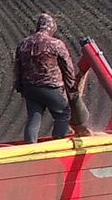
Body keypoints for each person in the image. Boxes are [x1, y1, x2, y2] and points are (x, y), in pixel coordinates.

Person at [13, 12, 77, 142]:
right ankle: (58, 144)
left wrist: (20, 86)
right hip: (51, 87)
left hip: (30, 88)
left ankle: (30, 147)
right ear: (52, 27)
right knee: (63, 114)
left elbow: (17, 67)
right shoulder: (56, 44)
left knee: (34, 117)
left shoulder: (23, 44)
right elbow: (68, 66)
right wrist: (71, 87)